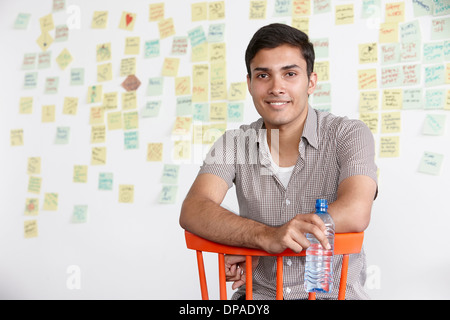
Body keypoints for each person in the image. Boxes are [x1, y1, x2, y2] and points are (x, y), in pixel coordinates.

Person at [179, 23, 378, 300]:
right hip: (257, 296)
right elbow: (193, 209)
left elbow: (355, 211)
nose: (276, 87)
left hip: (331, 295)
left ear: (311, 82)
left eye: (290, 73)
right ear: (249, 84)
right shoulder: (234, 142)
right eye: (263, 75)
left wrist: (257, 239)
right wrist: (262, 237)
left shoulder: (349, 134)